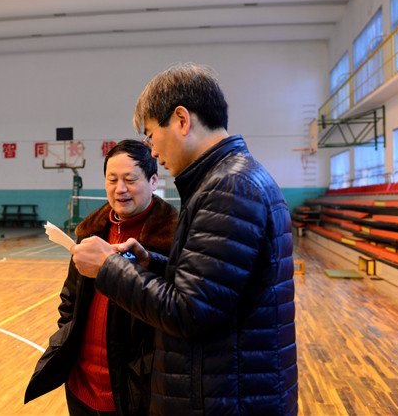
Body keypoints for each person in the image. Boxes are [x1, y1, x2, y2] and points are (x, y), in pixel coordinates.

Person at [70, 63, 298, 415]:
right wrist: (152, 263)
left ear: (181, 120)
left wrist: (108, 267)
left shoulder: (228, 188)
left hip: (226, 398)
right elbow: (212, 289)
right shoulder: (229, 180)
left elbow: (190, 312)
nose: (152, 150)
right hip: (229, 391)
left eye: (151, 134)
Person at [25, 140, 179, 415]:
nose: (120, 189)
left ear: (154, 180)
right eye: (112, 179)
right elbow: (69, 299)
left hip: (135, 391)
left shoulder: (172, 237)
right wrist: (67, 341)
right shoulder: (90, 232)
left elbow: (176, 311)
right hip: (81, 386)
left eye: (130, 179)